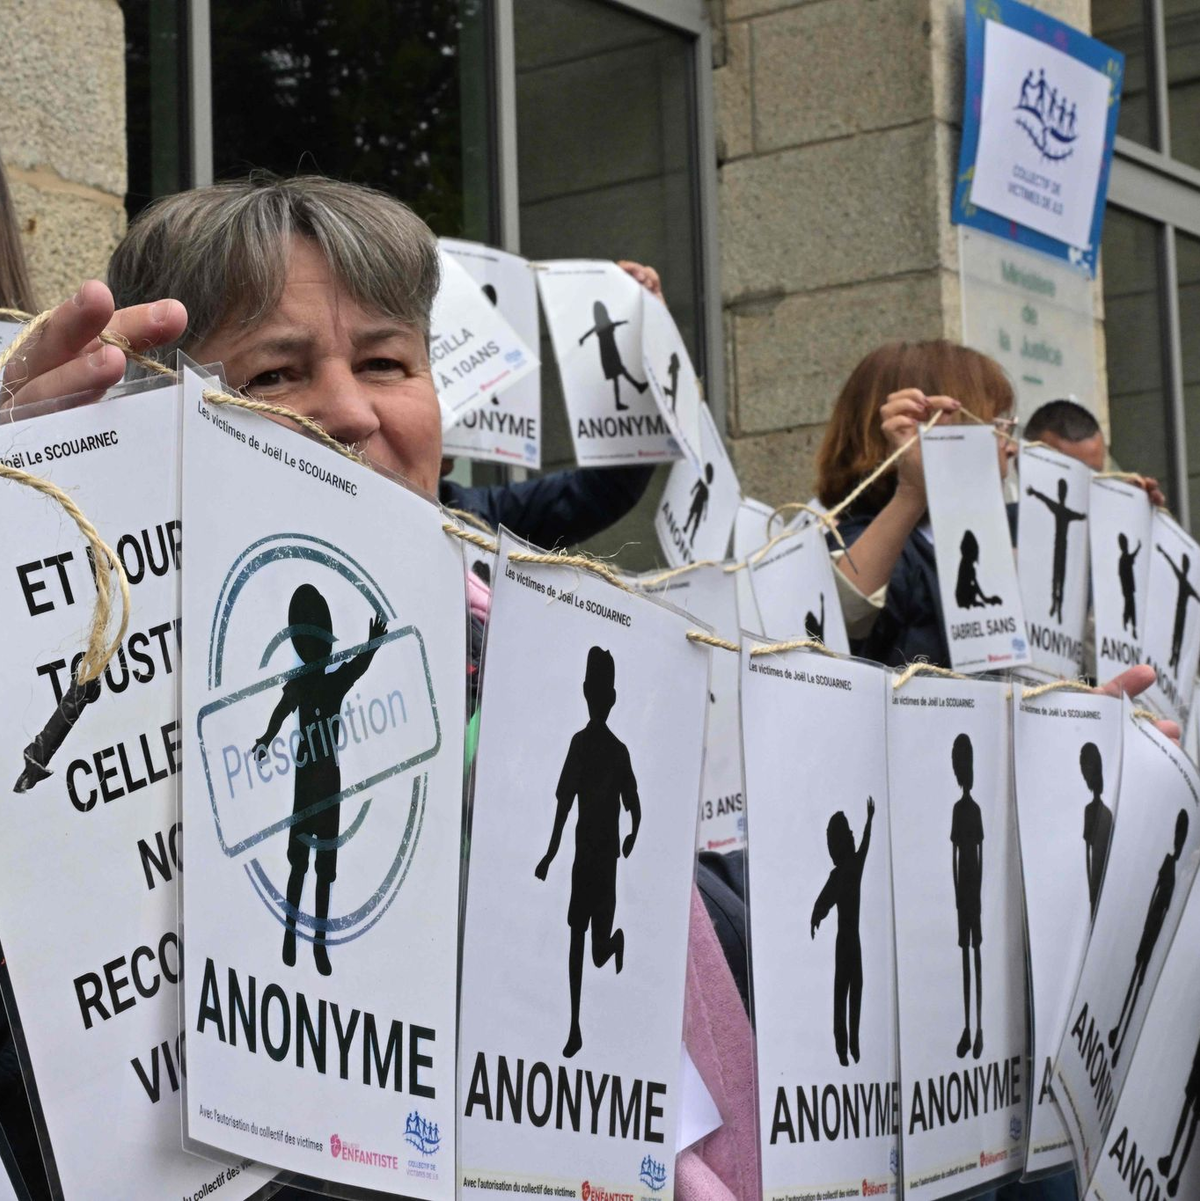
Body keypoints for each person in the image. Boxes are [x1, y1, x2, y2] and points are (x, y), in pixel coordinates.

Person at [2, 178, 758, 1199]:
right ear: (149, 413)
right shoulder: (77, 699)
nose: (351, 413)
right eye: (276, 372)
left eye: (386, 362)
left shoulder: (549, 659)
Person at [814, 340, 1016, 668]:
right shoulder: (873, 543)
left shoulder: (976, 534)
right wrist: (914, 490)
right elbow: (836, 624)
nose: (1010, 447)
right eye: (995, 427)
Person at [251, 586, 385, 977]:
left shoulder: (331, 682)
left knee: (325, 865)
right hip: (306, 779)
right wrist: (265, 739)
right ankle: (291, 935)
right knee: (299, 862)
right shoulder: (301, 684)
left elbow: (356, 669)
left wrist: (372, 646)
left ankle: (319, 944)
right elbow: (279, 713)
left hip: (328, 781)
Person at [535, 646, 640, 1059]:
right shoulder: (579, 745)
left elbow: (635, 805)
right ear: (590, 693)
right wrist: (550, 853)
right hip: (584, 861)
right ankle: (575, 1026)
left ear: (606, 697)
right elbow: (563, 806)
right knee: (575, 939)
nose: (598, 697)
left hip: (606, 863)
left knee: (597, 950)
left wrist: (633, 834)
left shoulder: (619, 752)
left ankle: (614, 943)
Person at [1108, 808, 1189, 1068]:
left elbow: (1162, 907)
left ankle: (1121, 1037)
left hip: (1152, 934)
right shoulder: (1169, 865)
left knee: (1139, 982)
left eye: (1181, 836)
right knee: (1134, 978)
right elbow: (1155, 897)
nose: (1178, 841)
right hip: (1148, 931)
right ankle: (1118, 1029)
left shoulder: (1176, 873)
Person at [810, 797, 873, 1067]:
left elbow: (822, 902)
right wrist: (869, 820)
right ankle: (846, 1046)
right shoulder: (850, 869)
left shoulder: (846, 871)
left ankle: (849, 1045)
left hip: (848, 941)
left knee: (848, 991)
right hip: (850, 942)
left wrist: (816, 915)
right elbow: (823, 901)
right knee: (847, 991)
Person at [1024, 397, 1166, 507]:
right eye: (1069, 475)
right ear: (1023, 464)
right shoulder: (1005, 532)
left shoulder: (1105, 523)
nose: (1085, 489)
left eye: (1095, 476)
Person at [950, 734, 984, 1062]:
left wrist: (968, 893)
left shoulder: (968, 810)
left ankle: (977, 1027)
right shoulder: (963, 809)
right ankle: (968, 1026)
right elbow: (959, 856)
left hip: (968, 891)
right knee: (970, 955)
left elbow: (962, 857)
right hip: (966, 892)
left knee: (973, 955)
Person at [1025, 478, 1086, 622]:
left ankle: (1059, 607)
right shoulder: (1061, 509)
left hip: (1062, 548)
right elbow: (1044, 498)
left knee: (1061, 577)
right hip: (1059, 547)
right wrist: (1033, 492)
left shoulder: (1064, 511)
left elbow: (1081, 516)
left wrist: (1034, 492)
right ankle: (1054, 604)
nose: (1061, 493)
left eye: (1062, 490)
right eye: (1060, 490)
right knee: (1056, 577)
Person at [1079, 742, 1112, 920]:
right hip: (1098, 884)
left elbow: (1089, 856)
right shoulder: (1101, 812)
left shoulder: (1094, 812)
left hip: (1099, 882)